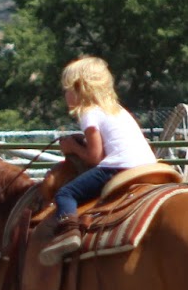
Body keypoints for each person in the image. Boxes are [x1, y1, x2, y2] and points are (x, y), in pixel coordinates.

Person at [53, 56, 158, 221]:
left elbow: (95, 158)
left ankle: (68, 232)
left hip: (118, 167)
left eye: (67, 89)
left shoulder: (89, 113)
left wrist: (72, 147)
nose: (65, 95)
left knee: (65, 194)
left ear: (79, 88)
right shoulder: (118, 110)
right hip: (147, 165)